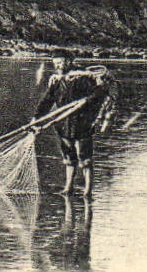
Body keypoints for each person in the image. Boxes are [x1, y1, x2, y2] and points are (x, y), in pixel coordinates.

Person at [32, 52, 118, 196]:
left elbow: (100, 93)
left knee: (85, 157)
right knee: (68, 155)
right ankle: (68, 188)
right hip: (64, 123)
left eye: (61, 62)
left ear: (69, 61)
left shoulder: (83, 78)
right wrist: (36, 118)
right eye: (55, 63)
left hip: (83, 122)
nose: (58, 66)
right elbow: (47, 101)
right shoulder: (57, 80)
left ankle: (88, 190)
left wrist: (86, 101)